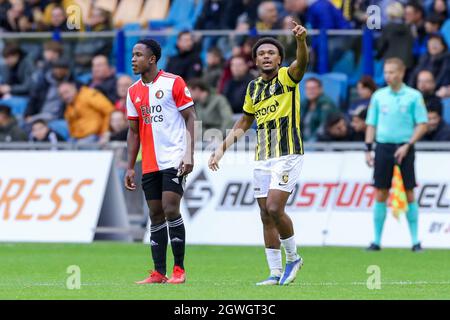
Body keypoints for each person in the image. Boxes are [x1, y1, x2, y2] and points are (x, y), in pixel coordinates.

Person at [209, 22, 309, 286]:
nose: (266, 56)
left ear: (279, 59)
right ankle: (275, 273)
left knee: (276, 207)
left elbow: (302, 63)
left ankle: (294, 258)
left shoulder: (288, 76)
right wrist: (221, 148)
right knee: (265, 214)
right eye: (261, 53)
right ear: (255, 60)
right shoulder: (253, 88)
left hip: (288, 153)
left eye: (271, 53)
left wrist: (301, 41)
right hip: (263, 156)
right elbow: (244, 121)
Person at [125, 39, 196, 285]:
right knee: (155, 214)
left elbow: (191, 117)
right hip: (149, 163)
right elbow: (133, 132)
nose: (133, 59)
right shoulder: (132, 91)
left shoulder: (173, 82)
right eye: (132, 55)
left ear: (152, 59)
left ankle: (179, 269)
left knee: (170, 207)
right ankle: (158, 272)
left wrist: (188, 154)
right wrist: (129, 166)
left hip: (174, 157)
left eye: (138, 55)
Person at [365, 58, 428, 252]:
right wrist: (368, 148)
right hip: (383, 147)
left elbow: (423, 124)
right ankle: (376, 241)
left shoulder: (414, 96)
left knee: (409, 192)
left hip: (405, 148)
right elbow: (371, 124)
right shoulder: (378, 96)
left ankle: (416, 242)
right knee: (381, 192)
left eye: (392, 72)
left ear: (401, 73)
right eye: (386, 72)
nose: (388, 76)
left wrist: (408, 144)